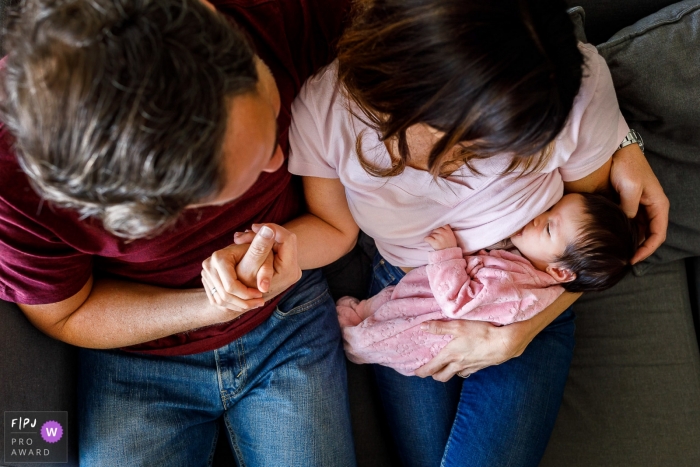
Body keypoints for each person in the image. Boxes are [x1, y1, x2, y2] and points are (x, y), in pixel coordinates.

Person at [205, 0, 669, 465]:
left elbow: (582, 242)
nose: (485, 164)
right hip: (410, 301)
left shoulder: (568, 82)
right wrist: (273, 249)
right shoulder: (325, 113)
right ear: (411, 103)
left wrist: (516, 333)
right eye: (479, 148)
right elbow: (333, 229)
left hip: (527, 284)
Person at [0, 0, 358, 465]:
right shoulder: (15, 175)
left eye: (271, 113)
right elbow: (65, 314)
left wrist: (285, 255)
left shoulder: (284, 13)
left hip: (289, 312)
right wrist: (212, 304)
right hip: (135, 354)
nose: (279, 161)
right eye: (243, 177)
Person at [336, 193, 639, 376]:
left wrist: (446, 254)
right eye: (549, 209)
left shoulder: (514, 284)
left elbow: (458, 301)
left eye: (547, 227)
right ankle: (362, 316)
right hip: (429, 303)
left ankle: (355, 341)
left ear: (560, 273)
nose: (536, 218)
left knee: (386, 330)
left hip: (432, 325)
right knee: (389, 303)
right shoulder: (534, 270)